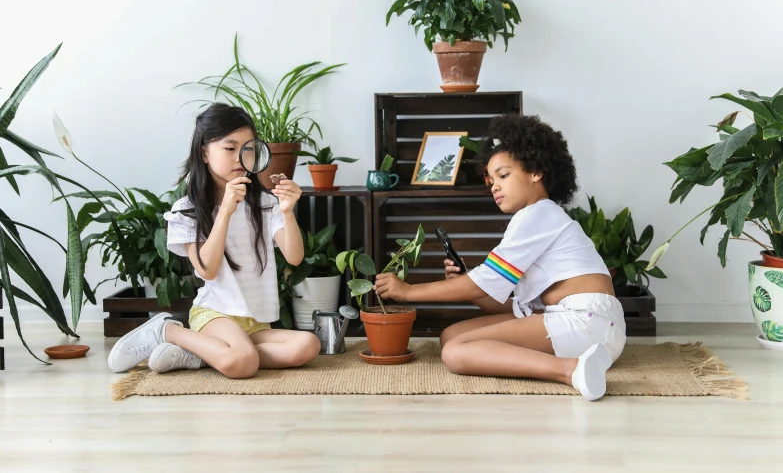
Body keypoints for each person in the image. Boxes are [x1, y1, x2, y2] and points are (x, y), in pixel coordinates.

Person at [374, 114, 626, 400]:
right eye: (490, 180)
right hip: (583, 322)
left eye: (503, 175)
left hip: (586, 322)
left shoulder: (538, 214)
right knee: (452, 337)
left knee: (455, 353)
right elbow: (503, 304)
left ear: (535, 171)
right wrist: (469, 282)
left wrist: (407, 292)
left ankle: (570, 370)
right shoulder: (539, 217)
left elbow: (484, 285)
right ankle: (561, 361)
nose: (493, 186)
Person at [108, 103, 320, 378]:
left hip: (255, 322)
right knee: (244, 364)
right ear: (204, 153)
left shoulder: (265, 204)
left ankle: (202, 354)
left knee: (307, 345)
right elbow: (206, 269)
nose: (239, 158)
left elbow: (294, 257)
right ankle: (167, 330)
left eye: (248, 149)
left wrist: (287, 211)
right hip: (214, 314)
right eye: (230, 148)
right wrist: (226, 212)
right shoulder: (187, 210)